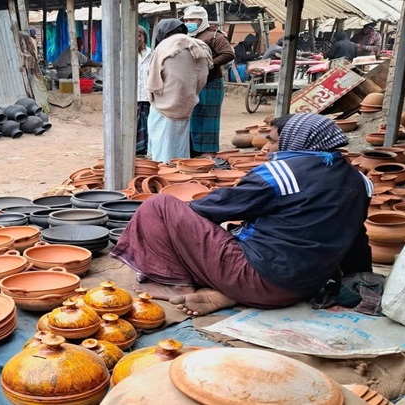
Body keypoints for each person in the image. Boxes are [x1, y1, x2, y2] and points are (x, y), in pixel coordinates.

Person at [112, 113, 372, 316]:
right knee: (240, 233)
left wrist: (177, 225)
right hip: (303, 287)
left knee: (159, 206)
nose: (266, 148)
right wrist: (360, 276)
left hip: (258, 279)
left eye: (272, 139)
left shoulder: (283, 174)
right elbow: (357, 239)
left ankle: (175, 283)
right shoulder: (360, 180)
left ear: (297, 141)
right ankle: (229, 293)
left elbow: (216, 207)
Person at [145, 19, 212, 163]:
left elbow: (154, 78)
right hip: (186, 101)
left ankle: (163, 165)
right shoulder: (197, 44)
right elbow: (202, 75)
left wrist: (156, 95)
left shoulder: (165, 45)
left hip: (163, 101)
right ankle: (181, 165)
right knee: (180, 138)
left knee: (161, 137)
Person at [184, 6, 234, 158]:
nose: (189, 23)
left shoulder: (214, 36)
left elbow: (228, 53)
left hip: (210, 83)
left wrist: (209, 64)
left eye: (193, 20)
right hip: (193, 83)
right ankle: (194, 150)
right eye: (186, 20)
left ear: (202, 20)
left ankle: (208, 151)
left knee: (208, 117)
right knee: (193, 116)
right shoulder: (188, 37)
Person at [136, 25, 153, 156]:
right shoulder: (123, 54)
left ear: (144, 37)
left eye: (139, 35)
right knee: (133, 123)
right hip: (133, 96)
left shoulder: (152, 54)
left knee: (148, 123)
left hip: (148, 96)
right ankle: (134, 148)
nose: (137, 38)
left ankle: (146, 148)